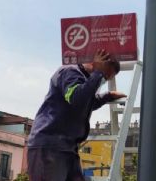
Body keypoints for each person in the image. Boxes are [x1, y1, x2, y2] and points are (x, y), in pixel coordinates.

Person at [27, 49, 126, 181]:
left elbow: (87, 102)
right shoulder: (69, 72)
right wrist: (97, 73)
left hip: (67, 148)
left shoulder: (85, 81)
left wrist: (107, 96)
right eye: (105, 76)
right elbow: (76, 98)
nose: (104, 80)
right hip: (50, 146)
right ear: (97, 62)